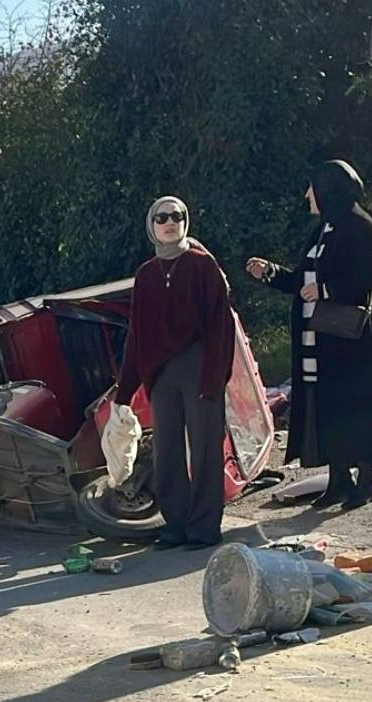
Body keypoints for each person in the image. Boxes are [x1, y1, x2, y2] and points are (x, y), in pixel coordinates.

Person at [247, 160, 372, 510]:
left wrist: (328, 290)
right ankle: (339, 479)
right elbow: (304, 281)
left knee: (355, 404)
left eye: (311, 186)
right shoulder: (323, 228)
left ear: (328, 188)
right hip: (321, 337)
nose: (306, 195)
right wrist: (271, 273)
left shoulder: (359, 224)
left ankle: (366, 479)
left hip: (350, 339)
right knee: (329, 405)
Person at [113, 196, 236, 550]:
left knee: (205, 449)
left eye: (178, 216)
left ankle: (204, 527)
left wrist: (214, 378)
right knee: (166, 449)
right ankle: (175, 525)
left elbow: (220, 328)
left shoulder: (203, 266)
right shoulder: (146, 275)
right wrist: (125, 393)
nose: (170, 222)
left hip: (199, 366)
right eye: (162, 217)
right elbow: (137, 336)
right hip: (163, 373)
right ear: (151, 225)